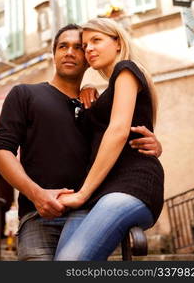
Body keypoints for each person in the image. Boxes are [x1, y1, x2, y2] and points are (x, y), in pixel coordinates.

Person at [0, 24, 162, 261]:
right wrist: (37, 194)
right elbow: (0, 150)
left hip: (90, 212)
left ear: (87, 59)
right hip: (38, 217)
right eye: (63, 46)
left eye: (79, 47)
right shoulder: (24, 94)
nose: (71, 52)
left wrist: (155, 145)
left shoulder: (96, 107)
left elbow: (119, 135)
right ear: (54, 54)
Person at [54, 18, 164, 261]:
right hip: (100, 190)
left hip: (131, 185)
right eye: (85, 45)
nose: (89, 49)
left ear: (117, 42)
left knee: (70, 262)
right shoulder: (104, 91)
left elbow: (118, 131)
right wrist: (89, 88)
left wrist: (82, 194)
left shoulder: (126, 69)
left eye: (96, 40)